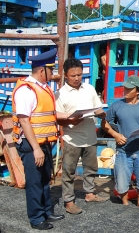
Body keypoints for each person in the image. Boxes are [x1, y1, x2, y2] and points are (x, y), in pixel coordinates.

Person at [12, 49, 65, 230]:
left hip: (44, 142)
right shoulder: (26, 90)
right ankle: (36, 218)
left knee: (44, 180)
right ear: (42, 71)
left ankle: (46, 211)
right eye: (51, 70)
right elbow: (24, 120)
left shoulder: (43, 88)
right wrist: (35, 148)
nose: (54, 74)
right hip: (31, 144)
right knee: (34, 182)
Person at [55, 58, 109, 215]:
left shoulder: (89, 88)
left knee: (91, 167)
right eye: (73, 75)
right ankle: (69, 201)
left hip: (90, 136)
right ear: (66, 75)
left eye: (79, 74)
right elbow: (58, 119)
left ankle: (90, 194)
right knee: (69, 171)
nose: (77, 78)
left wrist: (101, 113)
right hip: (71, 138)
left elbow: (97, 107)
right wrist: (71, 119)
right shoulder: (60, 94)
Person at [101, 75, 139, 208]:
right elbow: (104, 123)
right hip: (123, 151)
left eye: (129, 88)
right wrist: (115, 135)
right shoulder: (116, 105)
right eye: (125, 88)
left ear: (138, 91)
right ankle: (125, 202)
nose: (125, 90)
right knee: (122, 182)